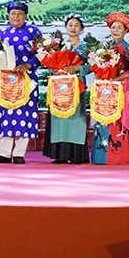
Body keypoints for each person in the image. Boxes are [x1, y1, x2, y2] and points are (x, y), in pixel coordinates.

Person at [0, 1, 42, 164]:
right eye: (13, 14)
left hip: (27, 80)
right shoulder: (1, 33)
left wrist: (28, 65)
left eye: (20, 14)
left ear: (25, 15)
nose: (16, 17)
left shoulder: (34, 32)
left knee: (24, 114)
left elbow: (43, 54)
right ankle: (4, 153)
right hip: (7, 81)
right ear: (8, 15)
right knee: (5, 113)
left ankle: (19, 153)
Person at [93, 11, 129, 165]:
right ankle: (101, 155)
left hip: (122, 89)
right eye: (114, 27)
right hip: (105, 90)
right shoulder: (102, 48)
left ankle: (119, 156)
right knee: (103, 119)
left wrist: (119, 78)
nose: (116, 30)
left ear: (126, 30)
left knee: (119, 122)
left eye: (120, 28)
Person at [43, 13, 90, 164]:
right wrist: (54, 69)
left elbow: (93, 66)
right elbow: (48, 62)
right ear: (65, 27)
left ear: (82, 29)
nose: (73, 28)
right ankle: (60, 154)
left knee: (76, 119)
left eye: (77, 25)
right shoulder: (57, 46)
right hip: (59, 87)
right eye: (70, 25)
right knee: (59, 117)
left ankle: (76, 154)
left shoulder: (86, 47)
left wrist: (78, 68)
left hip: (77, 86)